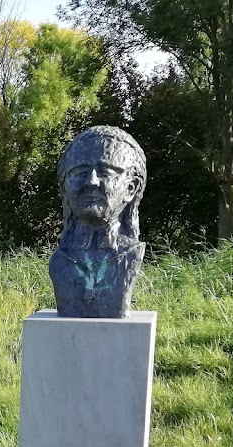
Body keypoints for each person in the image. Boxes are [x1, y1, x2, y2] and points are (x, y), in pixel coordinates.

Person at [49, 126, 147, 319]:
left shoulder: (130, 255)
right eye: (80, 172)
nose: (91, 182)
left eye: (106, 172)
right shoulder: (60, 259)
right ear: (64, 187)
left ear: (131, 188)